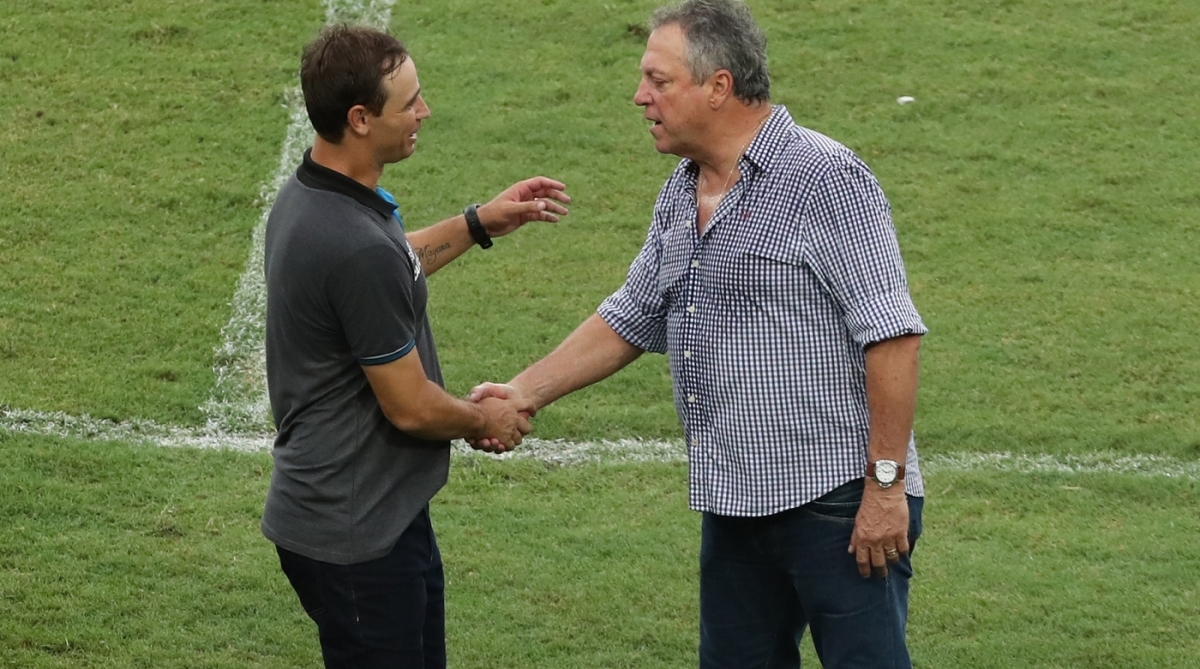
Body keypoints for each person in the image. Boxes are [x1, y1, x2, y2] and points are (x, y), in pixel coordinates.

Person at [469, 1, 927, 667]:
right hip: (736, 505)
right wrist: (521, 393)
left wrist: (884, 486)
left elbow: (893, 335)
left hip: (837, 501)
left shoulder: (825, 178)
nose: (639, 97)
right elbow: (631, 314)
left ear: (719, 86)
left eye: (658, 81)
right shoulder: (682, 192)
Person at [261, 25, 570, 669]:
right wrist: (486, 417)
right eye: (409, 103)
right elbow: (412, 407)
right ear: (360, 119)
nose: (424, 112)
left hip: (378, 514)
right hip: (355, 535)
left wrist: (479, 223)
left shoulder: (313, 194)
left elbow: (390, 265)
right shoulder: (351, 242)